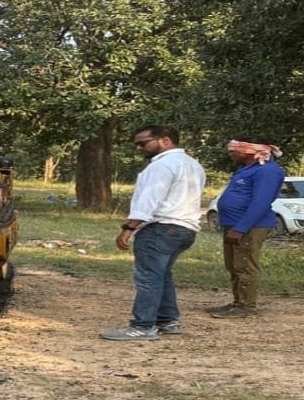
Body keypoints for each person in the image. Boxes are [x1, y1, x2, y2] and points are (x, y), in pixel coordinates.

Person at [100, 125, 207, 342]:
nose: (139, 148)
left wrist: (129, 228)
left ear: (165, 140)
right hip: (185, 229)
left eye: (143, 143)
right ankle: (167, 321)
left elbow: (149, 200)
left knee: (148, 277)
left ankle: (142, 326)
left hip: (161, 228)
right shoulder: (193, 165)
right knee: (162, 275)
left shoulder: (162, 165)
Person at [208, 139, 285, 319]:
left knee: (246, 265)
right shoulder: (246, 169)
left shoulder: (268, 171)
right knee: (234, 265)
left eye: (234, 150)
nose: (231, 153)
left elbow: (261, 202)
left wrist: (241, 228)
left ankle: (247, 306)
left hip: (250, 226)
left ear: (250, 151)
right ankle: (238, 302)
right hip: (233, 224)